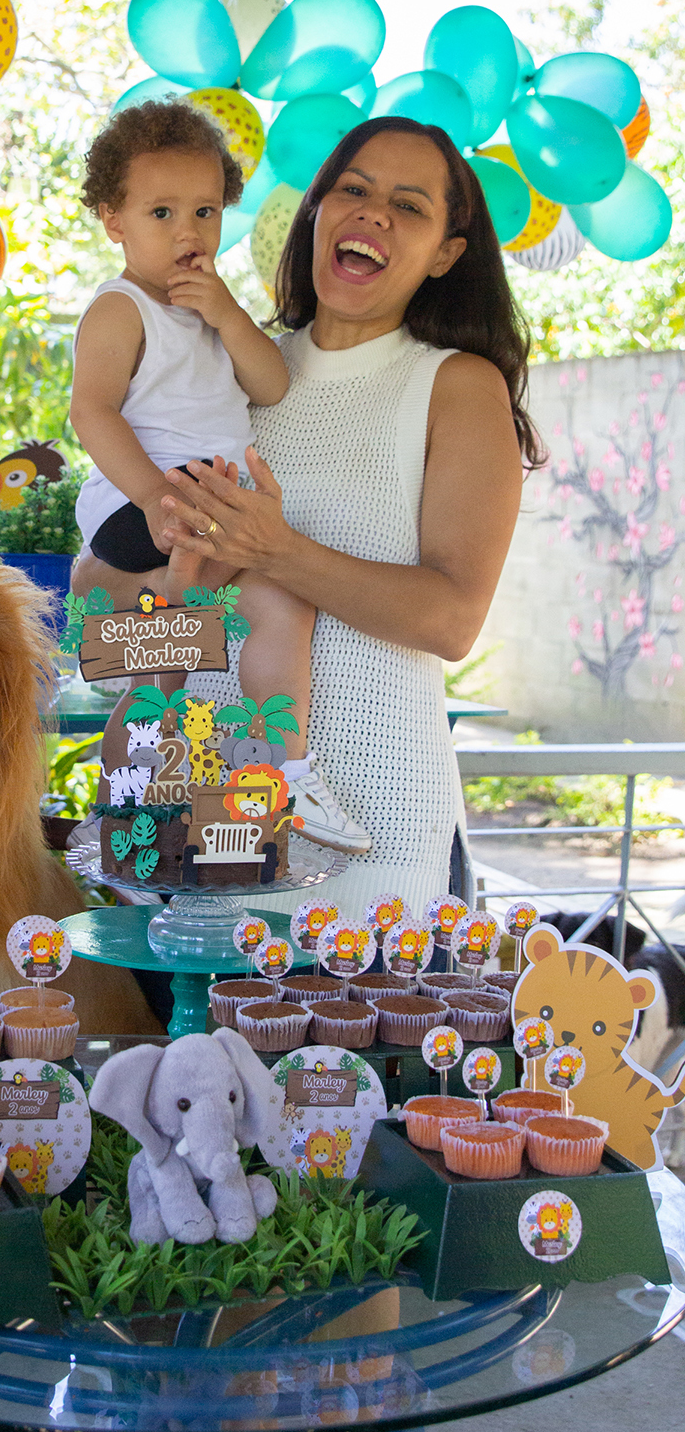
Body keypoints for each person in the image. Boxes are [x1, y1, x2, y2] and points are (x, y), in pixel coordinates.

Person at [159, 115, 538, 929]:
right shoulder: (227, 364)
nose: (373, 214)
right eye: (354, 190)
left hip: (381, 856)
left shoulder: (456, 385)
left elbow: (451, 618)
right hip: (212, 833)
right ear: (317, 212)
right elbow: (124, 634)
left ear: (445, 254)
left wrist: (278, 551)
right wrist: (177, 587)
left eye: (408, 206)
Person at [69, 101, 370, 852]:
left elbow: (270, 385)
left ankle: (249, 778)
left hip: (210, 511)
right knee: (203, 624)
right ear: (114, 220)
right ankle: (261, 775)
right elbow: (92, 411)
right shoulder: (120, 308)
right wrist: (154, 497)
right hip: (154, 508)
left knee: (269, 612)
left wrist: (229, 313)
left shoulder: (209, 309)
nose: (186, 232)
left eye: (204, 211)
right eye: (161, 211)